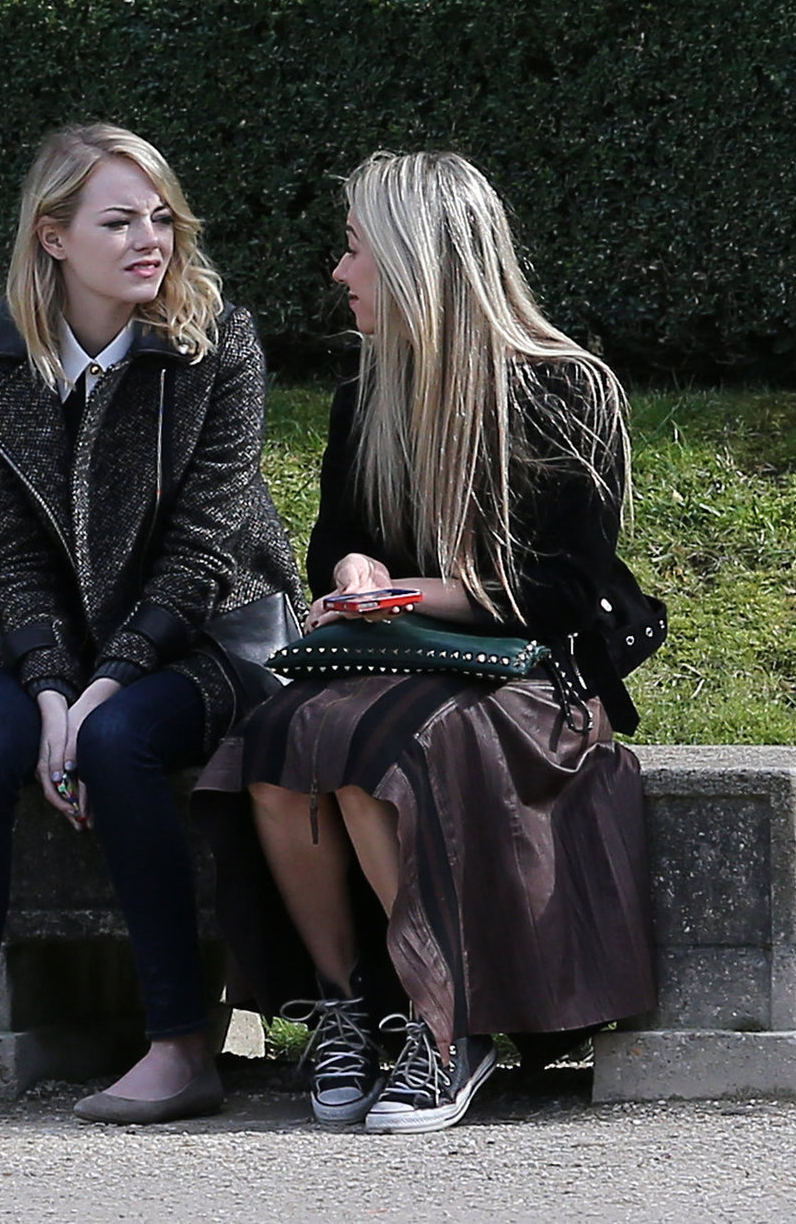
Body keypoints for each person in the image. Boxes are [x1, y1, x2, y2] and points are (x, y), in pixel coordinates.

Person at [195, 148, 659, 1134]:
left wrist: (422, 592)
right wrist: (356, 571)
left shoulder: (565, 389)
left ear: (415, 260)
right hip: (399, 663)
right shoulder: (367, 392)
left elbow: (564, 592)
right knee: (274, 744)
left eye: (354, 247)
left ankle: (445, 1023)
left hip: (529, 680)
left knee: (372, 750)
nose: (339, 270)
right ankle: (346, 1007)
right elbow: (335, 541)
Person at [0, 122, 302, 1127]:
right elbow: (12, 552)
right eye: (118, 221)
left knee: (117, 741)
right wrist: (48, 691)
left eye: (160, 217)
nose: (149, 240)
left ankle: (180, 1047)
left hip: (211, 631)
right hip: (53, 632)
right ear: (53, 237)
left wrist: (99, 691)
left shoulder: (216, 343)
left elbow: (204, 548)